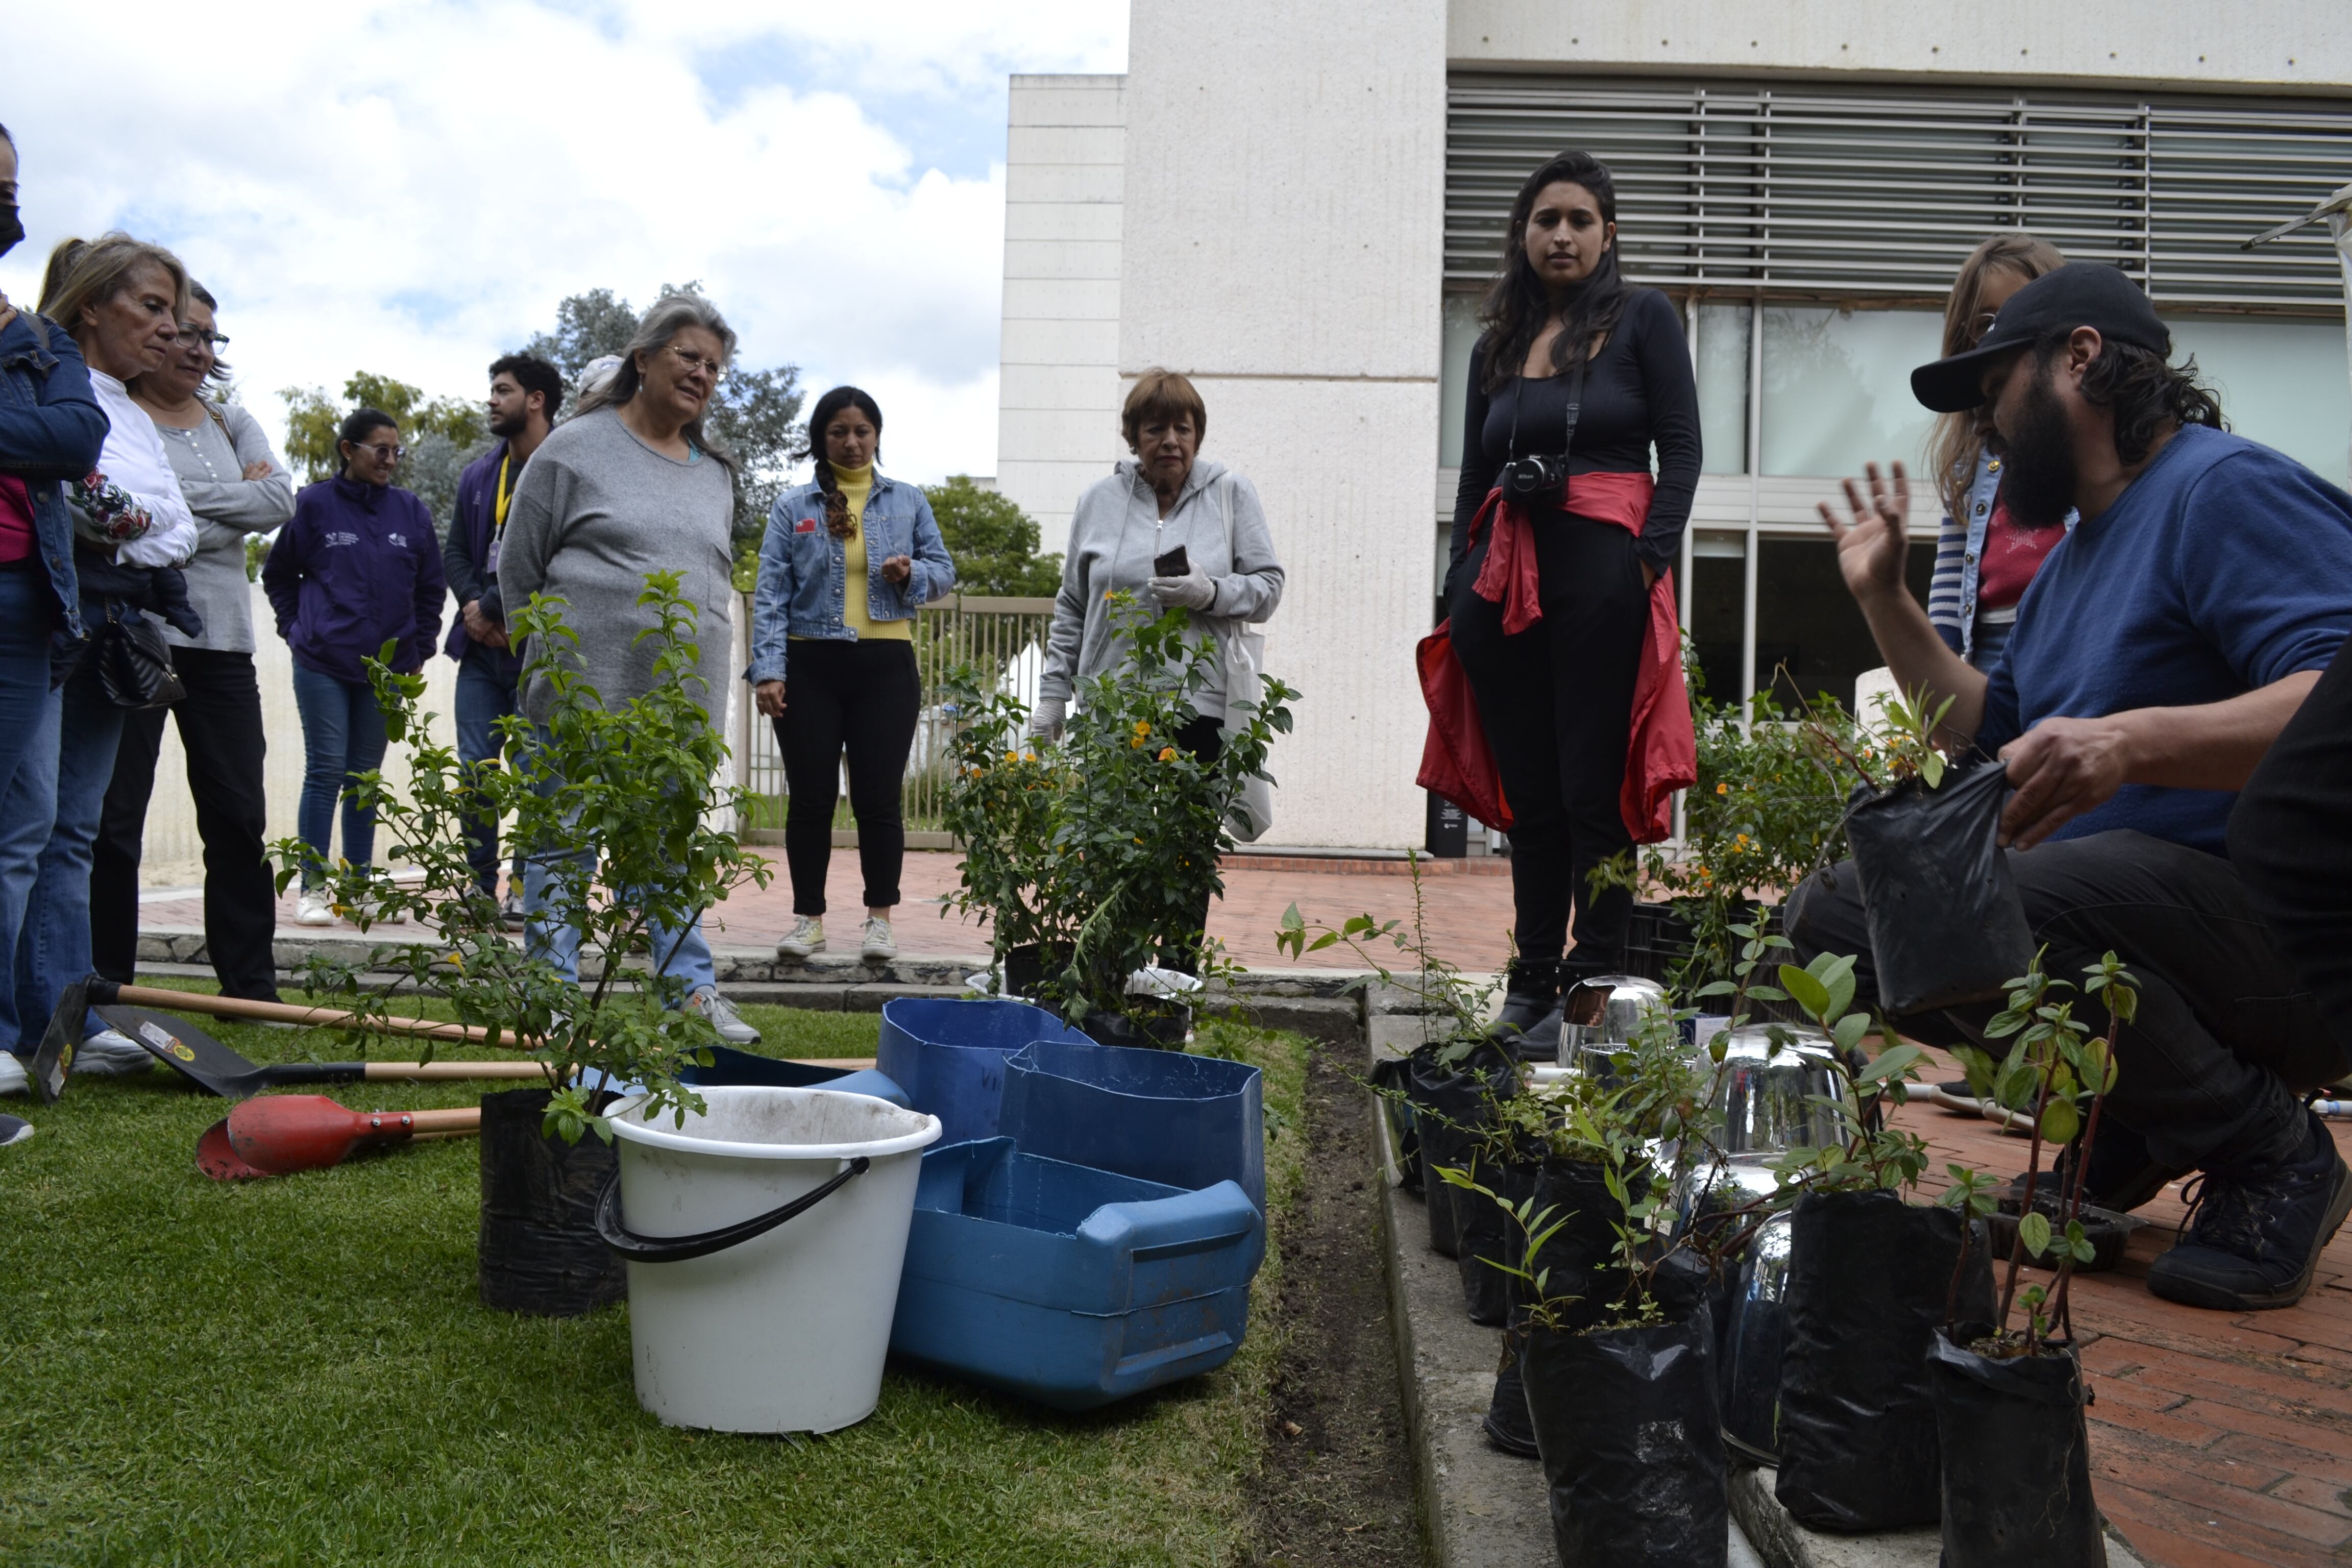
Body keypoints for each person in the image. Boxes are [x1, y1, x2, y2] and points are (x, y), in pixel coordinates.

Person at [1792, 262, 2352, 1312]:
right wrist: (1884, 599)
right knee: (1838, 916)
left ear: (2079, 357)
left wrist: (2133, 744)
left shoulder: (2221, 490)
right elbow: (1994, 731)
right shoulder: (2073, 559)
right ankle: (2134, 1122)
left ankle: (2275, 1154)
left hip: (2295, 945)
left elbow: (2338, 698)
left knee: (2014, 898)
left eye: (1996, 386)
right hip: (2152, 933)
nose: (1987, 424)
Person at [1443, 151, 1701, 1046]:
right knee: (1532, 798)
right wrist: (1456, 585)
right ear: (1522, 234)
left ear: (1607, 234)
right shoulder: (1494, 345)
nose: (1561, 234)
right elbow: (1474, 476)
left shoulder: (1642, 319)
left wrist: (1644, 561)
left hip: (1600, 582)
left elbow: (1682, 450)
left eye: (1579, 220)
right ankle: (1529, 980)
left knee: (1593, 789)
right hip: (1501, 585)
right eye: (1545, 219)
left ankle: (1591, 980)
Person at [497, 293, 760, 1047]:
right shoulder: (575, 447)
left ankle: (690, 993)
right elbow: (519, 564)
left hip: (677, 704)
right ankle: (550, 992)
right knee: (559, 845)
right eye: (689, 357)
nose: (703, 374)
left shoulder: (715, 473)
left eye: (714, 366)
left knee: (669, 853)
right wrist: (544, 657)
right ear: (643, 359)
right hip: (578, 694)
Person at [2, 234, 201, 1081]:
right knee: (25, 827)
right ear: (90, 303)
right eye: (151, 308)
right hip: (53, 616)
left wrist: (130, 517)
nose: (169, 329)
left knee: (70, 830)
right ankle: (18, 1024)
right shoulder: (46, 371)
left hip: (115, 627)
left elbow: (177, 528)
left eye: (173, 313)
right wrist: (129, 516)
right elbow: (90, 498)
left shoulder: (125, 405)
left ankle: (61, 1021)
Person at [1033, 368, 1285, 966]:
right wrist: (1053, 696)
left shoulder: (1231, 493)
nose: (1170, 439)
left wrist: (1211, 593)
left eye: (1183, 427)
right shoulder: (1097, 502)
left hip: (1197, 707)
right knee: (1108, 845)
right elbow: (1072, 603)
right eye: (1155, 428)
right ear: (1132, 436)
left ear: (1197, 435)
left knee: (1183, 850)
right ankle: (1110, 977)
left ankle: (1174, 983)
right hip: (1111, 707)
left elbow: (1269, 587)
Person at [89, 282, 292, 1003]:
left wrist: (167, 507)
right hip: (134, 634)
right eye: (181, 332)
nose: (197, 350)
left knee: (238, 818)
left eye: (209, 337)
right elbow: (111, 509)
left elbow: (279, 501)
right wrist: (227, 509)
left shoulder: (232, 419)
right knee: (114, 822)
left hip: (224, 645)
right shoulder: (116, 415)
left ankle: (251, 990)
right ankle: (106, 989)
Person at [749, 386, 954, 962]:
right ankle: (808, 921)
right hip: (809, 666)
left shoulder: (908, 501)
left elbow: (944, 572)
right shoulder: (794, 508)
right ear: (822, 439)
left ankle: (879, 922)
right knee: (811, 800)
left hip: (885, 668)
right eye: (839, 431)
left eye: (863, 430)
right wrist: (769, 669)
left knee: (878, 799)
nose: (853, 441)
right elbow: (771, 593)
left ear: (878, 436)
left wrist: (909, 572)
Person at [0, 125, 106, 1101]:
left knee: (24, 829)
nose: (7, 207)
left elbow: (75, 439)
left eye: (11, 188)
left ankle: (14, 1035)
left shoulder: (33, 340)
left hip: (29, 600)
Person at [262, 409, 445, 925]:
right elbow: (279, 575)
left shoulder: (412, 512)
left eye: (396, 452)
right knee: (325, 771)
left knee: (365, 779)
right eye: (379, 450)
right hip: (323, 661)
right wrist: (297, 630)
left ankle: (358, 889)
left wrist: (419, 649)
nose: (390, 460)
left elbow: (431, 589)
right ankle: (313, 890)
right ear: (349, 450)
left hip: (388, 669)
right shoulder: (314, 504)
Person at [442, 352, 562, 925]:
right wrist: (473, 607)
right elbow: (458, 551)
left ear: (536, 400)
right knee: (475, 771)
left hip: (539, 651)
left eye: (503, 390)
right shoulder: (477, 473)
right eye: (492, 389)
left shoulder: (565, 468)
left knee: (537, 773)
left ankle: (523, 887)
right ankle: (476, 886)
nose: (492, 399)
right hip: (480, 651)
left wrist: (495, 606)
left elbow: (551, 556)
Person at [1923, 233, 2069, 671]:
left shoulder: (2072, 441)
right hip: (1986, 640)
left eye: (2021, 313)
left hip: (2062, 631)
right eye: (1986, 321)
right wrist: (1942, 655)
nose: (2000, 334)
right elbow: (1952, 560)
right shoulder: (1973, 450)